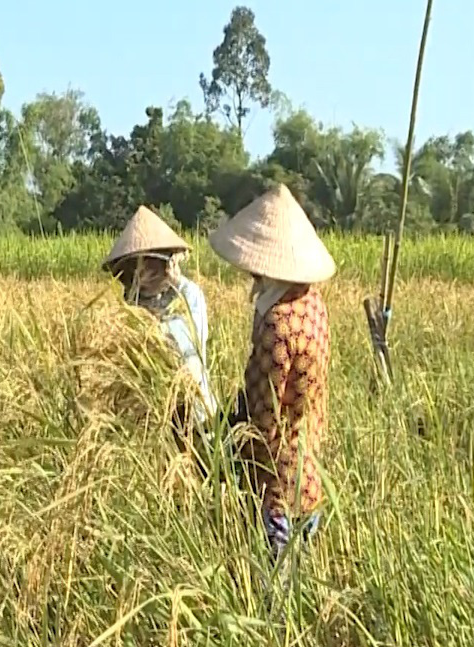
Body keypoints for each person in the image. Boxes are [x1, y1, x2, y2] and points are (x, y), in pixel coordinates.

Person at [208, 183, 335, 562]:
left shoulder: (277, 323)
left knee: (273, 600)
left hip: (278, 485)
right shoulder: (312, 303)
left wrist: (226, 446)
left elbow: (265, 419)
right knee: (299, 588)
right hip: (310, 474)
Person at [102, 206, 217, 429]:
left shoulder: (187, 296)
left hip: (197, 414)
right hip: (155, 419)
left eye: (154, 266)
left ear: (168, 265)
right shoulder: (132, 307)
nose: (148, 273)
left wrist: (177, 282)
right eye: (140, 267)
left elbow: (189, 345)